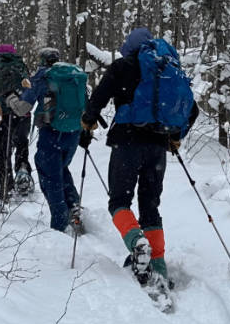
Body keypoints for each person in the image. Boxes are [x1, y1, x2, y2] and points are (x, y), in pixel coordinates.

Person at [80, 27, 198, 285]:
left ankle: (137, 243)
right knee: (150, 206)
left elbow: (98, 98)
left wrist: (88, 121)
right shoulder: (167, 70)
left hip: (127, 142)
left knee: (119, 201)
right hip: (158, 146)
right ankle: (158, 266)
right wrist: (176, 136)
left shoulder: (122, 66)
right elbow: (193, 109)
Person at [6, 48, 86, 234]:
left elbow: (22, 108)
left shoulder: (42, 78)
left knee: (50, 177)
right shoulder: (74, 77)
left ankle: (59, 225)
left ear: (42, 60)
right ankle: (73, 205)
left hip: (52, 133)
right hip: (73, 133)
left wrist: (10, 99)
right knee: (61, 168)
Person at [0, 44, 32, 199]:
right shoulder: (22, 68)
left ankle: (6, 184)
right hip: (22, 114)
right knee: (21, 144)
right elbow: (30, 90)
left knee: (2, 150)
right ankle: (22, 171)